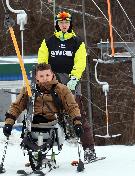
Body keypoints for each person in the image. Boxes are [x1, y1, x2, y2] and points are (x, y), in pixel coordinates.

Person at [37, 11, 96, 161]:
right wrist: (44, 78)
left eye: (66, 23)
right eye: (61, 23)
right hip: (53, 80)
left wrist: (74, 78)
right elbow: (42, 61)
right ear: (57, 24)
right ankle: (42, 149)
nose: (64, 25)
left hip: (71, 80)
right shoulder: (49, 41)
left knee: (78, 114)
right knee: (46, 114)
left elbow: (80, 62)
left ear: (70, 24)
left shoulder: (77, 42)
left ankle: (89, 149)